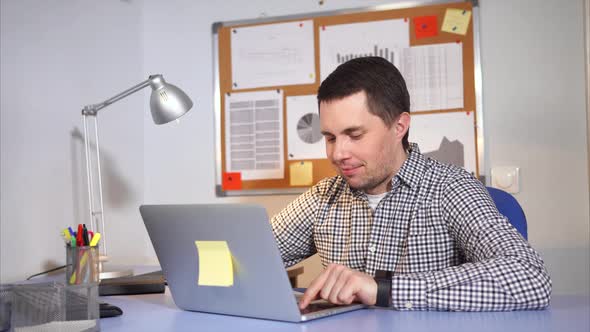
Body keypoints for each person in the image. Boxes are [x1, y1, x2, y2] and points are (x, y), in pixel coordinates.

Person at [271, 56, 551, 311]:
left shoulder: (450, 188)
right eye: (330, 138)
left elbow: (529, 276)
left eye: (354, 135)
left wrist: (383, 289)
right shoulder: (324, 197)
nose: (337, 154)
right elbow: (249, 253)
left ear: (399, 127)